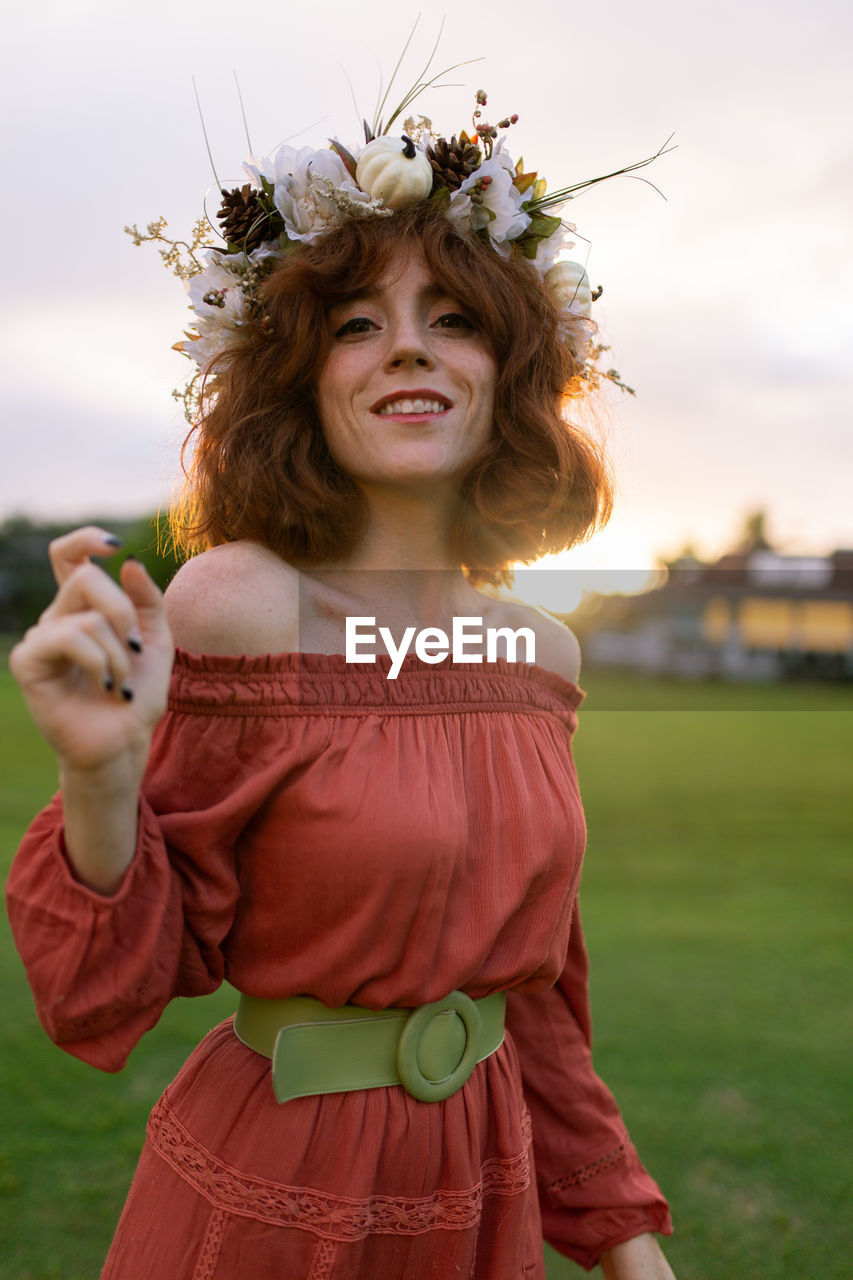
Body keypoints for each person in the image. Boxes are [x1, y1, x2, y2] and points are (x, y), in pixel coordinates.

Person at [6, 90, 677, 1278]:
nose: (408, 345)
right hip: (281, 1190)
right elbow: (118, 979)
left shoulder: (540, 654)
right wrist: (100, 772)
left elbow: (533, 996)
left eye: (455, 316)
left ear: (512, 370)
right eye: (357, 322)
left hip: (483, 1189)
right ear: (300, 374)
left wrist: (629, 1248)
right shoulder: (241, 602)